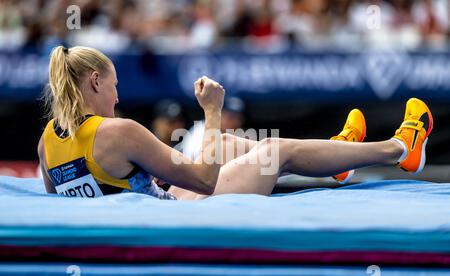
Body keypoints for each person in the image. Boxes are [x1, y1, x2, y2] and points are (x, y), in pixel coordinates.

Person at [38, 45, 433, 200]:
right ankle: (400, 149)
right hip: (174, 222)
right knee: (276, 152)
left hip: (147, 211)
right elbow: (205, 180)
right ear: (94, 82)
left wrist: (139, 184)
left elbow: (83, 194)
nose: (118, 97)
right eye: (114, 86)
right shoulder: (118, 131)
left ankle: (339, 155)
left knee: (226, 146)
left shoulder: (45, 143)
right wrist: (212, 110)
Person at [178, 95, 245, 160]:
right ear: (219, 114)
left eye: (238, 118)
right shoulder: (201, 131)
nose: (235, 122)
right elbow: (194, 162)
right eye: (231, 117)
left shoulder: (231, 134)